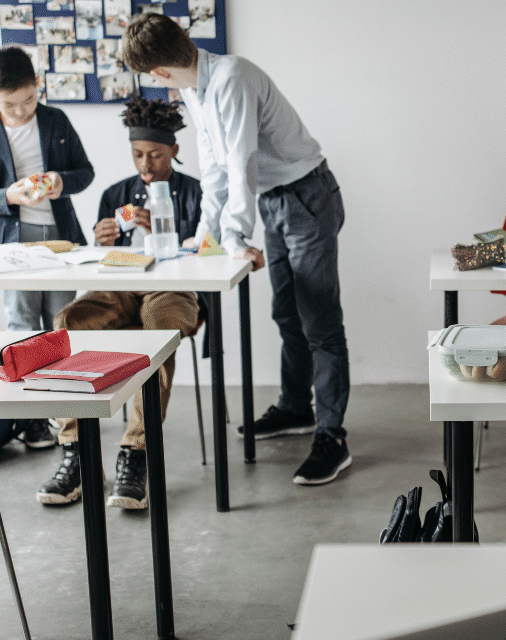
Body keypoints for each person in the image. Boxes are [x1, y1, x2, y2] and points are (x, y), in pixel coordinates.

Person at [122, 14, 351, 485]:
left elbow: (240, 160)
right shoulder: (195, 87)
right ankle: (295, 408)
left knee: (320, 322)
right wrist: (208, 237)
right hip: (275, 200)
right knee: (287, 313)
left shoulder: (232, 78)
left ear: (158, 72)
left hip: (306, 195)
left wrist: (233, 236)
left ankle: (333, 437)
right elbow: (214, 169)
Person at [36, 97, 201, 508]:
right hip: (121, 282)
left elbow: (211, 249)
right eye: (137, 155)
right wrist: (104, 238)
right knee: (68, 321)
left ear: (174, 151)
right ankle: (75, 450)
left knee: (158, 334)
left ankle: (136, 452)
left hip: (174, 288)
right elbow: (98, 259)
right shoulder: (116, 193)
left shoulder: (196, 192)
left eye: (155, 155)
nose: (146, 164)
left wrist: (172, 234)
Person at [0, 46, 94, 450]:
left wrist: (60, 181)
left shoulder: (56, 119)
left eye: (28, 99)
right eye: (10, 104)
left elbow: (85, 172)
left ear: (38, 86)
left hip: (60, 240)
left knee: (60, 326)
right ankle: (32, 421)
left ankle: (64, 416)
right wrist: (8, 195)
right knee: (22, 329)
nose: (21, 111)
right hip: (13, 242)